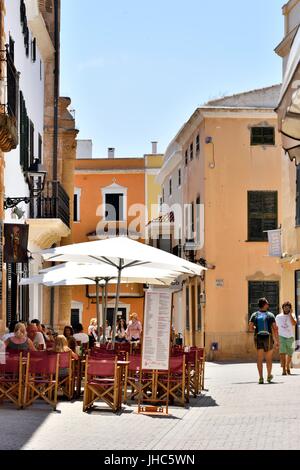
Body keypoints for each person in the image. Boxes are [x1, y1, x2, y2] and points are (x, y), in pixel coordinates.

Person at [249, 298, 279, 384]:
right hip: (268, 337)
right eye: (267, 304)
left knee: (259, 359)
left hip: (258, 337)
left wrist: (255, 328)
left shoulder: (254, 315)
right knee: (269, 359)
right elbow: (275, 328)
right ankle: (269, 376)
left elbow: (250, 328)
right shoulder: (270, 315)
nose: (268, 305)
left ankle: (261, 378)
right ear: (264, 305)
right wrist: (277, 341)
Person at [276, 302, 297, 375]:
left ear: (290, 308)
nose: (286, 308)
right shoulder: (278, 316)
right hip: (281, 336)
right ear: (283, 308)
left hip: (290, 336)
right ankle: (283, 369)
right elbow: (275, 327)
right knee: (282, 353)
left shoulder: (293, 315)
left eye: (288, 307)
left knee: (290, 354)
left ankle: (287, 366)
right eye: (285, 307)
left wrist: (290, 314)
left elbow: (294, 324)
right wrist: (276, 339)